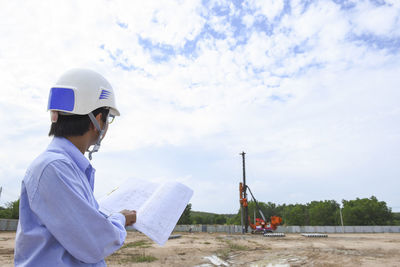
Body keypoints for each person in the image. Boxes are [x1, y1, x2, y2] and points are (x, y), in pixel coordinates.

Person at [14, 68, 136, 266]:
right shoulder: (54, 168)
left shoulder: (67, 168)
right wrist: (120, 219)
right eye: (108, 118)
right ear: (97, 121)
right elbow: (96, 243)